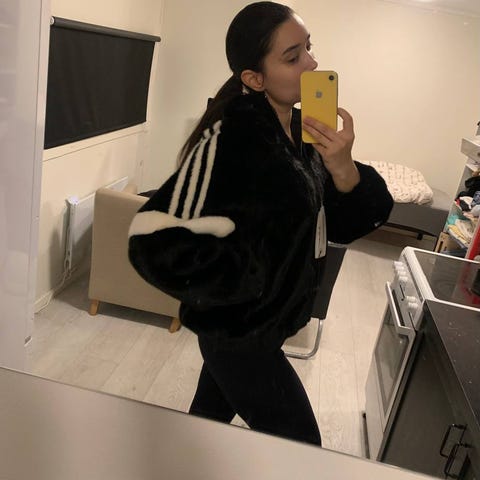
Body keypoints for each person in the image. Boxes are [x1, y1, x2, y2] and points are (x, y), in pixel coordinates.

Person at [128, 1, 393, 446]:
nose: (312, 64)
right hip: (241, 337)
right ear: (254, 78)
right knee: (303, 449)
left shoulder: (304, 136)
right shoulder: (231, 139)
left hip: (266, 329)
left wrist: (344, 168)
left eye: (309, 48)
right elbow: (151, 238)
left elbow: (338, 226)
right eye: (293, 57)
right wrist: (244, 292)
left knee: (203, 426)